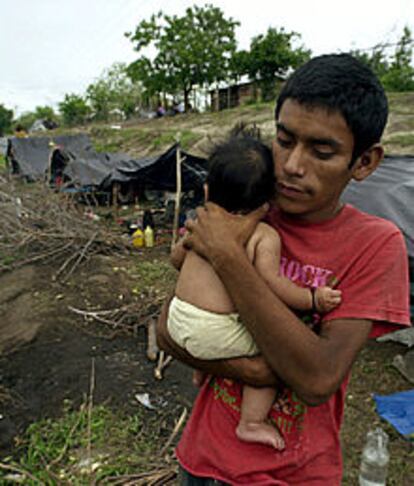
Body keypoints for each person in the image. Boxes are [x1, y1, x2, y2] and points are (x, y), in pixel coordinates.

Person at [157, 53, 411, 485]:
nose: (292, 165)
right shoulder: (247, 206)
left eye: (322, 151)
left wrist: (228, 257)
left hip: (292, 475)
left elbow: (317, 378)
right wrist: (257, 369)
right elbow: (167, 328)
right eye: (284, 140)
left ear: (365, 162)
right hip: (200, 461)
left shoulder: (375, 245)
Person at [168, 134, 341, 451]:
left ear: (207, 190)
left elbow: (176, 259)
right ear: (269, 201)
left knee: (222, 322)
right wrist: (312, 298)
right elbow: (272, 283)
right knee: (277, 351)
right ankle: (251, 422)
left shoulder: (199, 224)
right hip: (209, 330)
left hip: (178, 320)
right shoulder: (264, 234)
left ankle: (200, 371)